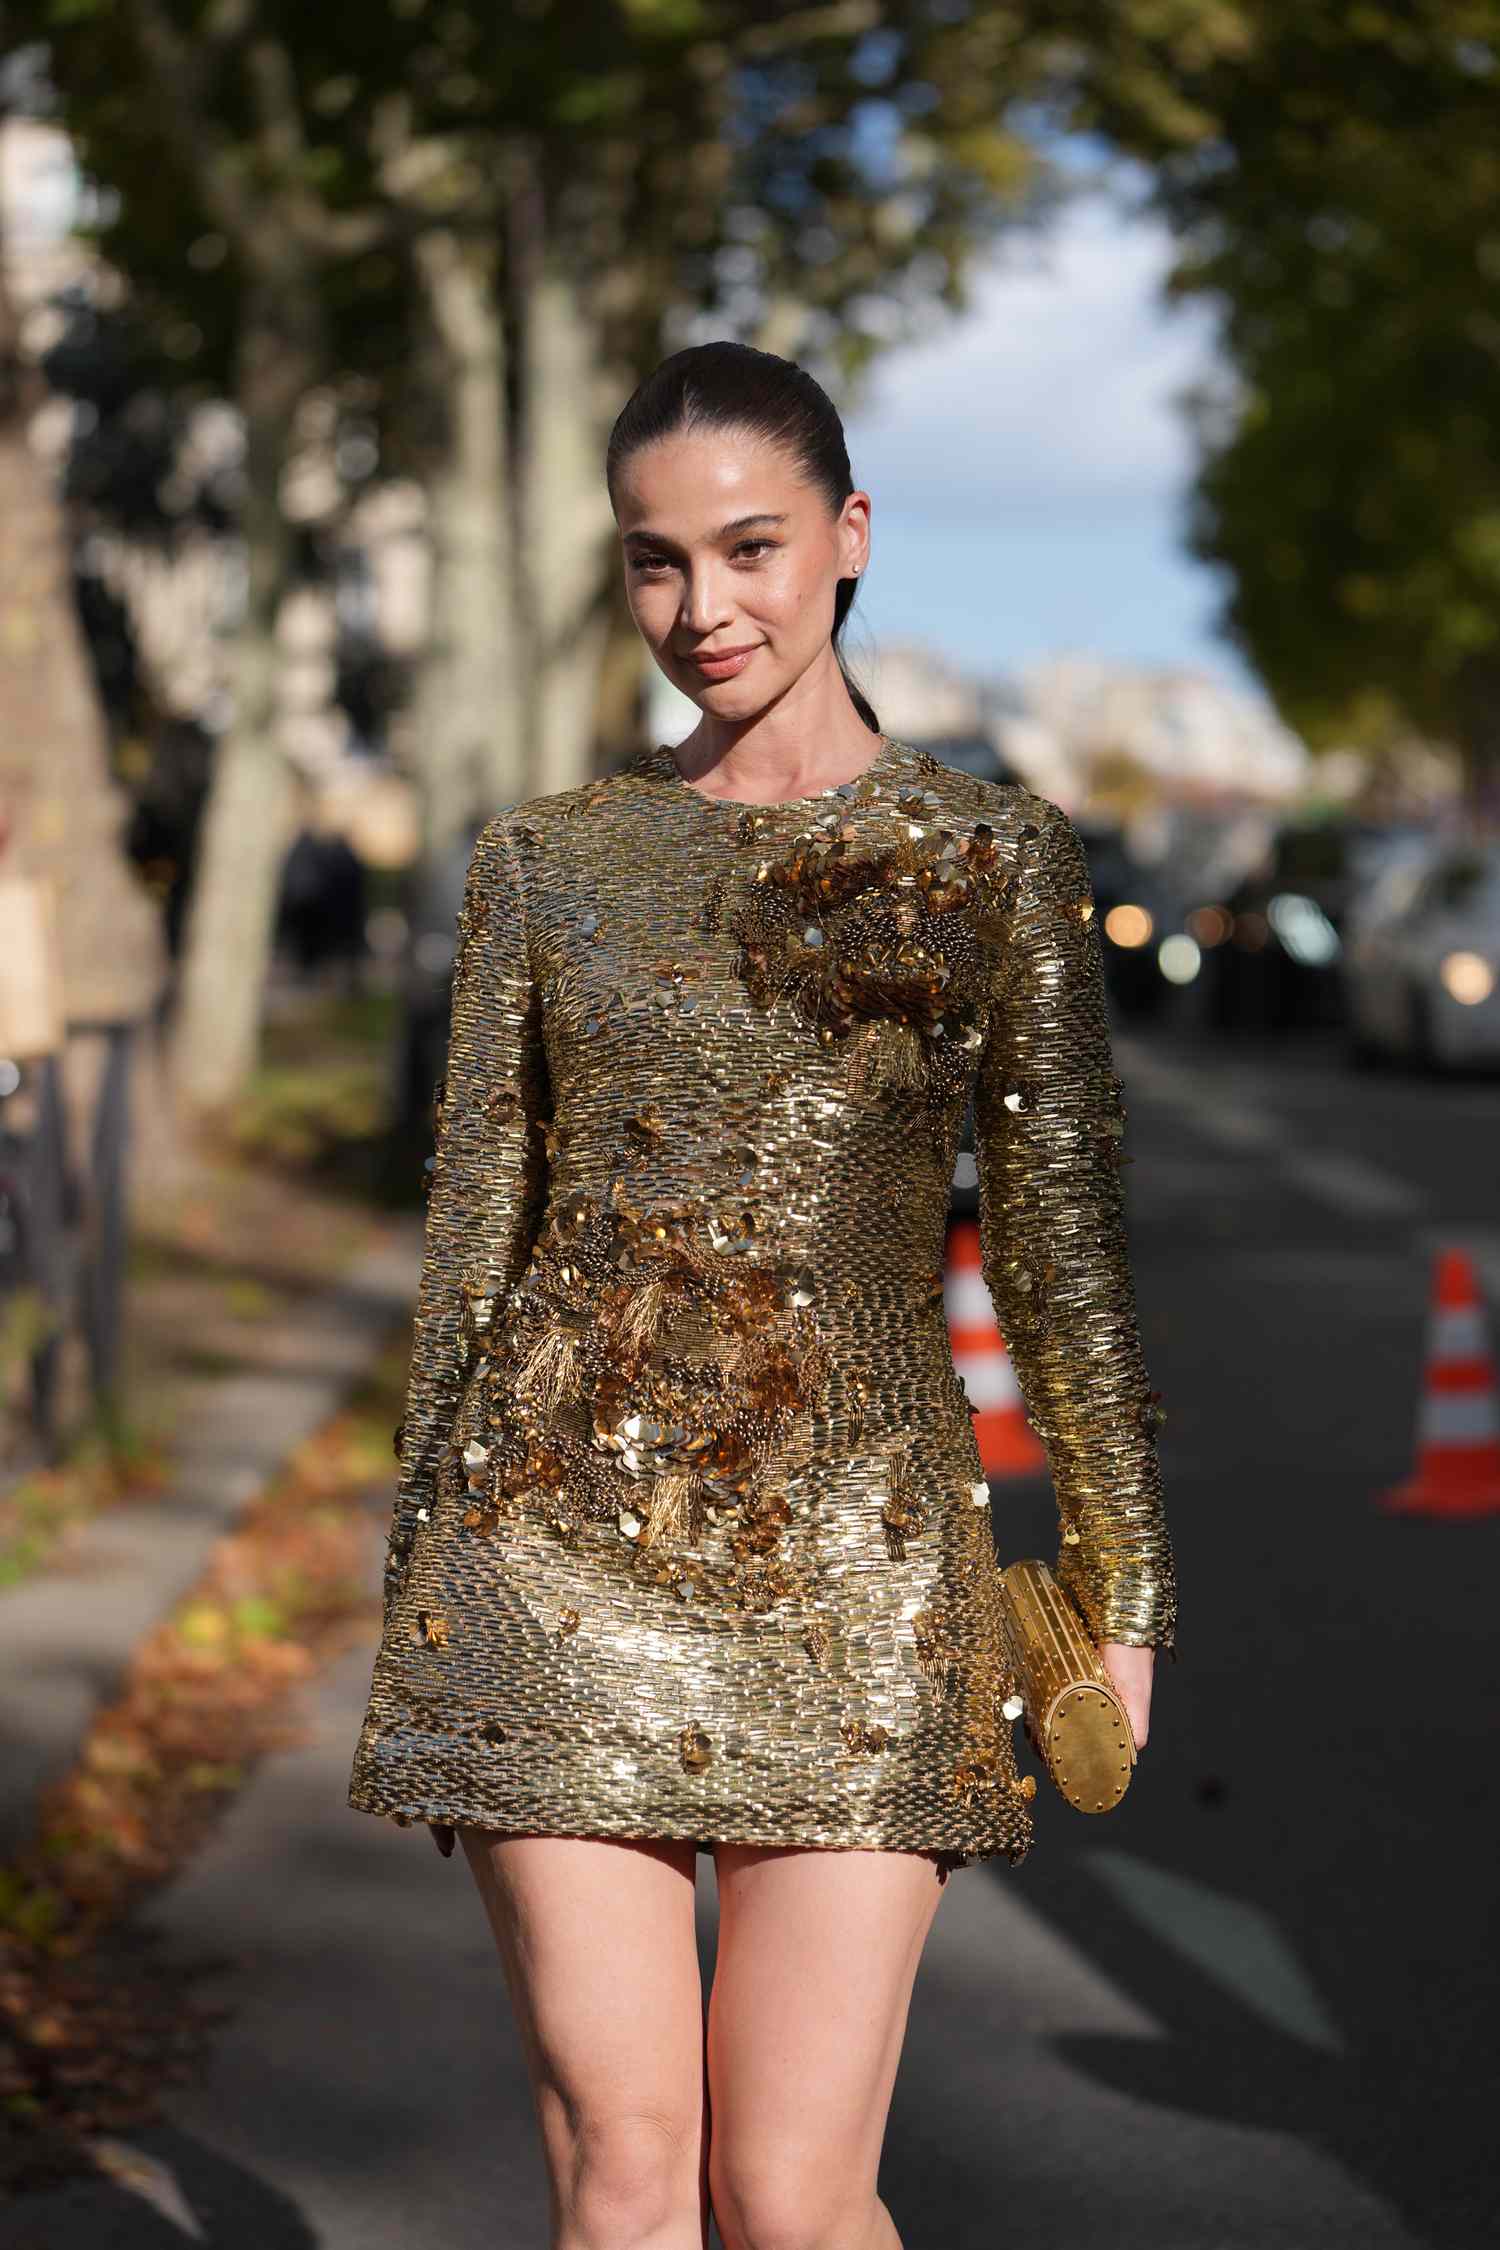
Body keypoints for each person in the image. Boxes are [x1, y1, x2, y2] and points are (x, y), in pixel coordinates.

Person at [348, 340, 1176, 2249]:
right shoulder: (543, 863)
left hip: (876, 1579)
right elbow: (475, 1234)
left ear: (848, 537)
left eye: (748, 548)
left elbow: (1066, 1259)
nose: (702, 608)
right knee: (627, 2172)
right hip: (548, 1563)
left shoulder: (991, 861)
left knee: (792, 2193)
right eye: (655, 562)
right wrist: (423, 1582)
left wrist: (1121, 1583)